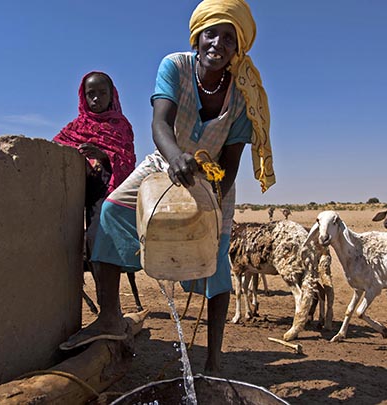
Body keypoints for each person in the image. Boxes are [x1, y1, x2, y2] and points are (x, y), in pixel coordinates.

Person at [62, 0, 274, 375]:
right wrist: (176, 157)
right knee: (111, 213)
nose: (218, 44)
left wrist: (211, 203)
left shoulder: (243, 95)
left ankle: (212, 360)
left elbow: (232, 158)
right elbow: (160, 123)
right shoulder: (174, 66)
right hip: (165, 162)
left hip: (213, 179)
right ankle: (110, 317)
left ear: (237, 47)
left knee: (216, 257)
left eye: (228, 38)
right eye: (211, 34)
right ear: (197, 37)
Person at [51, 71, 137, 311]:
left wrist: (103, 156)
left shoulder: (120, 126)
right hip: (75, 194)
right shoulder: (75, 127)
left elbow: (127, 162)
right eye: (91, 94)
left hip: (106, 195)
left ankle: (109, 308)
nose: (96, 99)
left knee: (97, 240)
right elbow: (57, 146)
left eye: (102, 93)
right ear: (83, 97)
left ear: (112, 95)